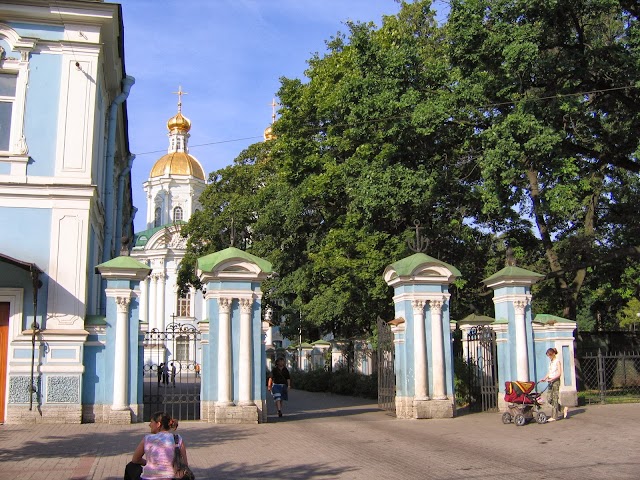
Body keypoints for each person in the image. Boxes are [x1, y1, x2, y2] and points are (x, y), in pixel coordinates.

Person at [127, 411, 189, 480]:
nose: (149, 425)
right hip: (172, 477)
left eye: (151, 422)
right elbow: (185, 464)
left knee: (130, 466)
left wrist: (149, 463)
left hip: (149, 478)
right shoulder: (177, 439)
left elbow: (135, 459)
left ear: (158, 424)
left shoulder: (148, 439)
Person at [540, 347, 569, 421]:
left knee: (555, 398)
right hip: (550, 381)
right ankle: (563, 408)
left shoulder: (557, 361)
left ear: (552, 354)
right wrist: (545, 378)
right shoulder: (551, 362)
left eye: (549, 355)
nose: (549, 357)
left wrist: (553, 379)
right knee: (549, 398)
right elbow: (549, 372)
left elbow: (559, 373)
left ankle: (554, 416)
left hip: (555, 381)